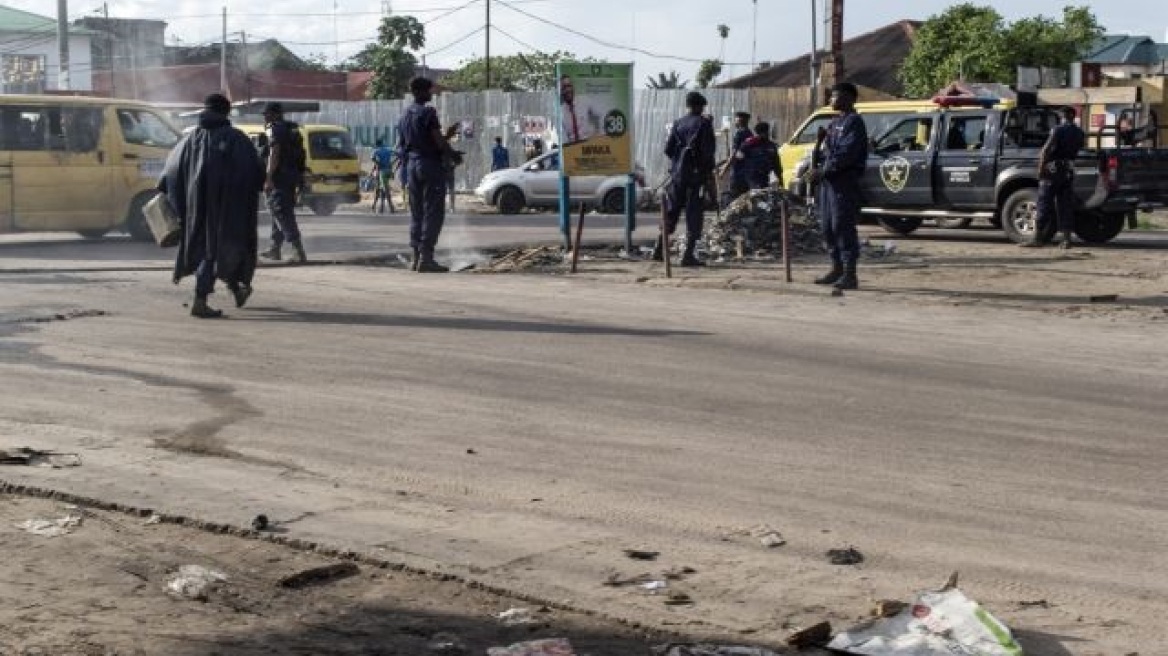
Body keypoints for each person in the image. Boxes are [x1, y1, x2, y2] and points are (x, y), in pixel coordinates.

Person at [158, 93, 264, 318]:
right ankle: (201, 299)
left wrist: (183, 202)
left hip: (194, 210)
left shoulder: (188, 140)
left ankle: (236, 289)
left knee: (210, 249)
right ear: (226, 112)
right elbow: (254, 173)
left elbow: (167, 176)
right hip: (227, 209)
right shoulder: (236, 139)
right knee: (218, 250)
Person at [810, 82, 868, 290]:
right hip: (829, 184)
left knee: (841, 226)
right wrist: (818, 144)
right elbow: (826, 154)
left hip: (844, 182)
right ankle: (836, 268)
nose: (831, 100)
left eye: (835, 96)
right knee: (827, 227)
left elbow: (846, 153)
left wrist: (824, 170)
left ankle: (850, 274)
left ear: (849, 98)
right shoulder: (834, 123)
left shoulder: (854, 122)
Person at [654, 91, 716, 267]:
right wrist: (708, 174)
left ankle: (658, 249)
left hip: (677, 176)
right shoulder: (704, 124)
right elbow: (707, 153)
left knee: (671, 212)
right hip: (695, 178)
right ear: (699, 106)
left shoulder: (678, 123)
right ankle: (688, 255)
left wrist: (679, 162)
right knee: (694, 215)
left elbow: (668, 150)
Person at [397, 77, 452, 272]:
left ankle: (416, 258)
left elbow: (404, 144)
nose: (431, 94)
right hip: (429, 165)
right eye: (428, 90)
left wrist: (446, 137)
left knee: (417, 212)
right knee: (433, 212)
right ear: (419, 92)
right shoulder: (428, 112)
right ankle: (426, 258)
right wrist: (451, 153)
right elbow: (437, 141)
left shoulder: (404, 115)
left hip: (411, 166)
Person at [1030, 106, 1085, 249]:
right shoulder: (1079, 132)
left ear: (1064, 116)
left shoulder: (1057, 130)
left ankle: (1037, 238)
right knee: (1065, 205)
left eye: (1061, 115)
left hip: (1052, 170)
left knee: (1044, 203)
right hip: (1068, 170)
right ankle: (1066, 240)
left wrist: (1040, 169)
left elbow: (1046, 150)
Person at [259, 101, 307, 263]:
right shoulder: (291, 129)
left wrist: (268, 178)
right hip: (291, 176)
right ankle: (275, 248)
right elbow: (300, 155)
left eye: (266, 114)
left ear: (275, 114)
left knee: (281, 211)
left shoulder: (276, 129)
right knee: (278, 210)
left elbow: (274, 153)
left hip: (279, 177)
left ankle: (297, 250)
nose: (264, 117)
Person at [738, 121, 782, 190]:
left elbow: (776, 164)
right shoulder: (750, 144)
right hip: (752, 176)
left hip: (765, 177)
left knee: (765, 192)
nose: (767, 134)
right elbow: (739, 156)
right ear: (760, 133)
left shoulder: (771, 146)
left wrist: (780, 180)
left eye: (767, 132)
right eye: (765, 132)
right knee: (757, 192)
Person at [559, 75, 603, 143]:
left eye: (569, 86)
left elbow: (601, 115)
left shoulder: (584, 100)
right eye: (564, 87)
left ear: (573, 87)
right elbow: (564, 139)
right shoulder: (560, 112)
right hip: (573, 147)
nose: (567, 90)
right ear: (560, 91)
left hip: (589, 144)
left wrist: (598, 133)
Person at [728, 111, 752, 198]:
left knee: (734, 196)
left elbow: (734, 154)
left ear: (741, 121)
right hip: (747, 172)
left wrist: (724, 169)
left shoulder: (739, 133)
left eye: (736, 120)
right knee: (745, 197)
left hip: (737, 172)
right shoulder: (750, 133)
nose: (735, 122)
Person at [370, 138, 395, 214]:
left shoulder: (377, 151)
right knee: (382, 189)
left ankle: (390, 207)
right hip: (388, 171)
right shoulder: (388, 150)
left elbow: (372, 159)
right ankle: (379, 207)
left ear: (376, 144)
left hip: (381, 172)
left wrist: (378, 165)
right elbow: (398, 154)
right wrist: (391, 163)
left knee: (383, 190)